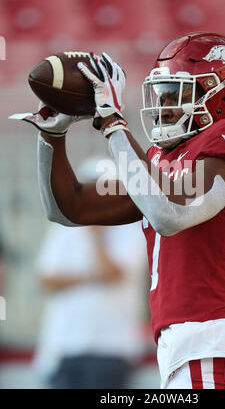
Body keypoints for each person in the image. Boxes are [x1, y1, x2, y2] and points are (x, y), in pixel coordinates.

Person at [11, 32, 225, 389]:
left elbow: (169, 214)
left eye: (175, 94)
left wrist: (112, 123)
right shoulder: (159, 163)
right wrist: (53, 136)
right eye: (161, 93)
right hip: (193, 351)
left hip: (210, 345)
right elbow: (69, 207)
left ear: (222, 94)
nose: (164, 104)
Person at [32, 157, 147, 389]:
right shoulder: (63, 229)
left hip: (111, 348)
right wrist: (91, 276)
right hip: (63, 346)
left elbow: (113, 274)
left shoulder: (132, 230)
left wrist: (96, 236)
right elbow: (46, 280)